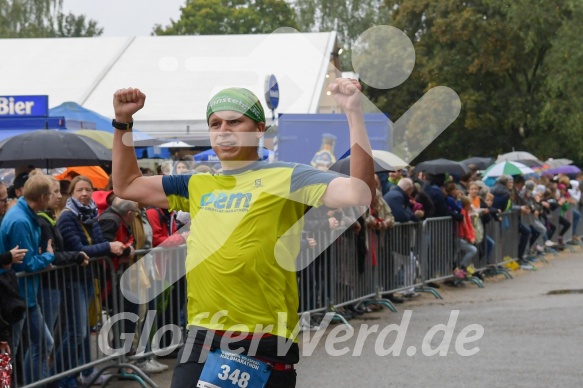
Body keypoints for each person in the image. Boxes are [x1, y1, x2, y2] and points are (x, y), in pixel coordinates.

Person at [111, 79, 375, 388]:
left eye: (235, 121)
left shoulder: (288, 176)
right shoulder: (197, 184)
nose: (223, 129)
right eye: (215, 123)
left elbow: (360, 193)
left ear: (259, 129)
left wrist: (354, 113)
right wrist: (123, 122)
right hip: (203, 336)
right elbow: (127, 184)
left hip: (264, 338)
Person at [55, 176, 125, 387]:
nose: (84, 193)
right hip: (72, 279)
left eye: (88, 189)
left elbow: (100, 243)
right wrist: (109, 248)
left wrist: (116, 248)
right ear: (72, 193)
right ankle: (58, 375)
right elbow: (80, 250)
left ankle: (86, 371)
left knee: (84, 330)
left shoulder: (92, 213)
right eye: (79, 190)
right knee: (76, 332)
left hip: (87, 278)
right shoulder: (68, 218)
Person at [0, 170, 55, 385]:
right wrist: (49, 256)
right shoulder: (20, 221)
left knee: (44, 343)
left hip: (27, 296)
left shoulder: (28, 216)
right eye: (51, 194)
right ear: (42, 198)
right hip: (16, 296)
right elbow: (27, 263)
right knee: (9, 353)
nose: (54, 198)